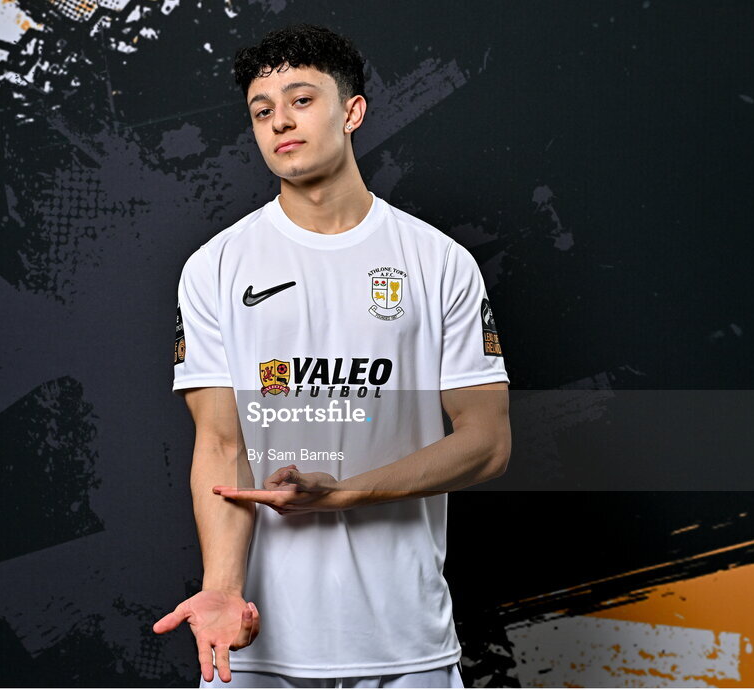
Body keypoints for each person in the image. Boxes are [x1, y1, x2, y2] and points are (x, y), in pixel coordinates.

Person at [153, 24, 510, 689]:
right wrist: (224, 593)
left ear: (352, 111)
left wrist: (343, 494)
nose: (279, 121)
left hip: (405, 645)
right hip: (257, 648)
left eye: (301, 100)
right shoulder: (215, 268)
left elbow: (487, 442)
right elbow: (221, 443)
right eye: (262, 111)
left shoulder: (438, 264)